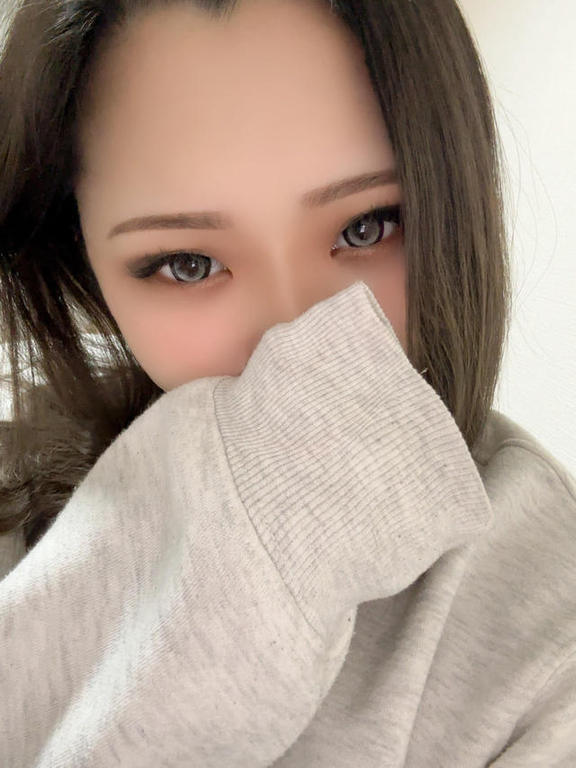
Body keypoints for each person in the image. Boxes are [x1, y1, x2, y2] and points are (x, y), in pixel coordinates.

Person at [0, 0, 574, 765]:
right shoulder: (19, 485)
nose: (294, 339)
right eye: (189, 264)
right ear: (82, 257)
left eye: (365, 228)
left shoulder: (549, 641)